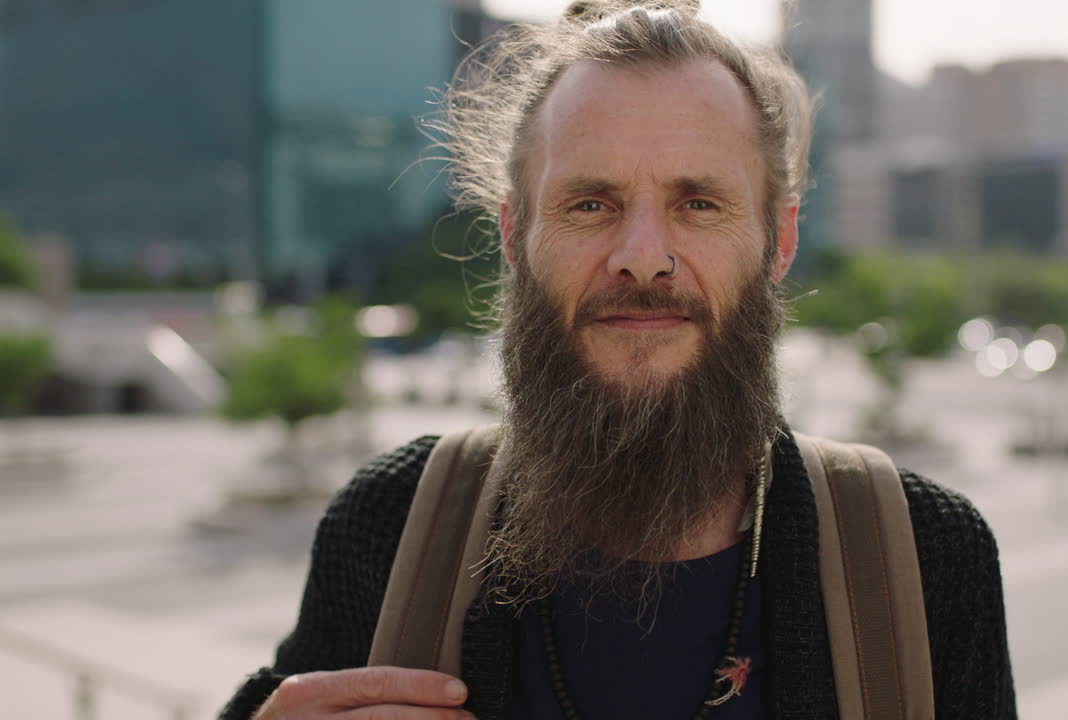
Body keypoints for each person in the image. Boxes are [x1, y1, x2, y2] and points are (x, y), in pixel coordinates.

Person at [218, 2, 1016, 718]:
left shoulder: (926, 555)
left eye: (697, 203)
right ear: (512, 239)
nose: (643, 257)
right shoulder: (389, 525)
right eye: (590, 204)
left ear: (779, 241)